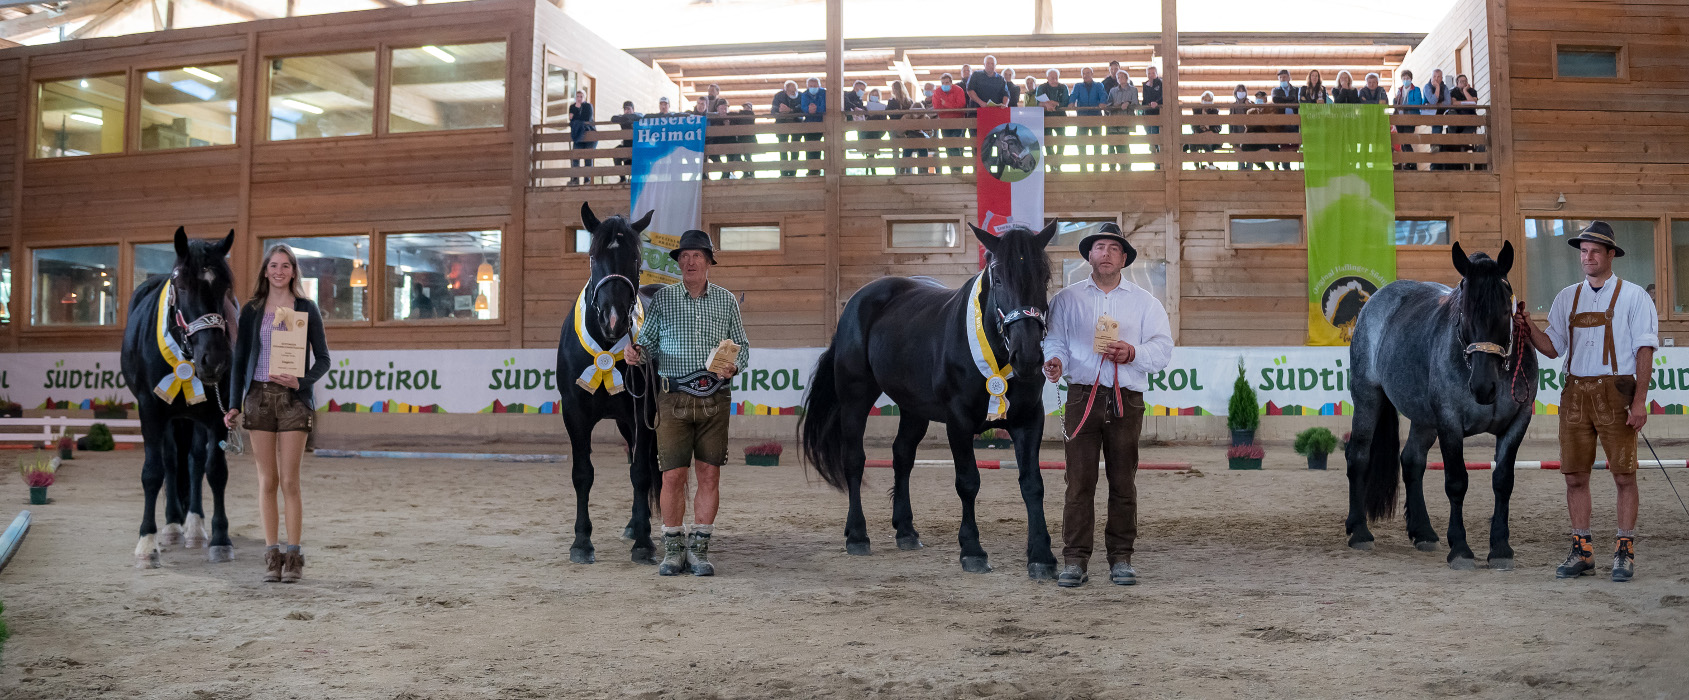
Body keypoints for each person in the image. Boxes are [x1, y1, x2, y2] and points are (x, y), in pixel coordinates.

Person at [1515, 221, 1657, 584]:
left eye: (1595, 250)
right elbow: (1552, 348)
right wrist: (1527, 325)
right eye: (1583, 250)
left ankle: (1624, 549)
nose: (1588, 257)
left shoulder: (1634, 296)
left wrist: (1639, 401)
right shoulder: (1567, 297)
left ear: (1611, 255)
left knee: (1624, 474)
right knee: (1575, 476)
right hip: (1575, 392)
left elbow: (1644, 349)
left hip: (1617, 393)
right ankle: (1583, 549)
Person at [1041, 224, 1172, 588]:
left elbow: (1162, 348)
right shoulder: (1066, 300)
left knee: (1123, 482)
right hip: (1081, 396)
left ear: (1124, 258)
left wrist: (1133, 352)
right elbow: (1054, 342)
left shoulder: (1146, 302)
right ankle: (1075, 560)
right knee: (1078, 482)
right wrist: (1054, 362)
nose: (1106, 253)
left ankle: (1121, 559)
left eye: (1114, 248)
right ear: (1089, 255)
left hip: (1125, 399)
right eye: (1099, 246)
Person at [626, 231, 751, 577]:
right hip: (672, 398)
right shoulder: (663, 301)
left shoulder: (725, 301)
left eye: (697, 256)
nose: (690, 262)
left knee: (709, 474)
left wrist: (735, 365)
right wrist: (634, 353)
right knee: (672, 476)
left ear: (709, 261)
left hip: (714, 398)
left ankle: (699, 551)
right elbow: (646, 343)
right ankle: (672, 550)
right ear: (678, 262)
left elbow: (743, 346)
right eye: (684, 256)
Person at [224, 244, 331, 584]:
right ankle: (272, 556)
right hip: (257, 397)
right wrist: (233, 403)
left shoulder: (306, 308)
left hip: (293, 402)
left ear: (294, 271)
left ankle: (294, 557)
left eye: (286, 265)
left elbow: (324, 359)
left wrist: (302, 381)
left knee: (289, 481)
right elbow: (239, 361)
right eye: (274, 265)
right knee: (267, 481)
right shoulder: (252, 310)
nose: (279, 271)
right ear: (265, 270)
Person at [1068, 67, 1108, 170]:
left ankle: (1097, 168)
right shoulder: (1078, 86)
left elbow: (1103, 94)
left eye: (1088, 73)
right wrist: (1071, 102)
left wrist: (1102, 102)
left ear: (1092, 74)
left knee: (1097, 142)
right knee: (1081, 143)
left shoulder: (1099, 85)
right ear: (1082, 75)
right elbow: (1073, 95)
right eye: (1084, 73)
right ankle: (1083, 168)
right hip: (1082, 117)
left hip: (1096, 117)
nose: (1086, 75)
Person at [931, 72, 969, 174]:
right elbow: (937, 107)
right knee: (948, 146)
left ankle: (958, 169)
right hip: (944, 123)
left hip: (957, 122)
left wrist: (946, 104)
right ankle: (953, 169)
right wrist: (951, 106)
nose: (945, 85)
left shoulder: (959, 90)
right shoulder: (937, 92)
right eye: (943, 83)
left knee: (956, 145)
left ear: (951, 83)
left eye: (947, 82)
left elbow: (961, 105)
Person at [1392, 70, 1426, 169]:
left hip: (1410, 118)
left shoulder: (1416, 90)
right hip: (1400, 118)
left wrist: (1405, 106)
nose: (1406, 80)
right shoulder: (1399, 90)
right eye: (1404, 78)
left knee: (1406, 141)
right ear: (1401, 79)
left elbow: (1418, 102)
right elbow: (1397, 103)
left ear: (1411, 79)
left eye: (1407, 78)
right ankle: (1408, 162)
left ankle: (1412, 162)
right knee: (1402, 141)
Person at [1105, 70, 1138, 171]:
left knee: (1124, 144)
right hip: (1114, 119)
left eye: (1122, 77)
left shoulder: (1133, 90)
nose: (1120, 79)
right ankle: (1112, 167)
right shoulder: (1113, 91)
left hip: (1126, 120)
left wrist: (1128, 103)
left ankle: (1126, 167)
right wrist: (1114, 106)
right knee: (1111, 144)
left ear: (1127, 78)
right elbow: (1108, 104)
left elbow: (1135, 103)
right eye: (1118, 77)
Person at [1447, 74, 1480, 170]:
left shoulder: (1472, 91)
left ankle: (1461, 147)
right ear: (1457, 83)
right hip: (1457, 121)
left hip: (1469, 120)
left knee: (1470, 128)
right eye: (1461, 81)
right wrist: (1467, 103)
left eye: (1465, 81)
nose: (1464, 83)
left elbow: (1473, 103)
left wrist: (1465, 91)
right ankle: (1455, 146)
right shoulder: (1453, 91)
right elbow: (1454, 103)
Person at [771, 80, 803, 177]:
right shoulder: (778, 96)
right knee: (783, 148)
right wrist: (780, 110)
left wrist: (791, 110)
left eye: (795, 91)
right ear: (786, 91)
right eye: (791, 91)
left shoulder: (801, 96)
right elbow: (773, 109)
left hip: (796, 124)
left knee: (795, 149)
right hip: (782, 124)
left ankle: (793, 172)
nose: (794, 93)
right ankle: (784, 173)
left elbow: (803, 108)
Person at [1036, 69, 1069, 160]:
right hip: (1046, 118)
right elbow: (1038, 103)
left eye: (1056, 78)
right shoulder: (1042, 87)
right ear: (1047, 78)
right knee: (1047, 140)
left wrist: (1055, 103)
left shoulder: (1063, 87)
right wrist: (1046, 104)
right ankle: (1051, 161)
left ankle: (1058, 160)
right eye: (1052, 78)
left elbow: (1066, 102)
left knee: (1061, 140)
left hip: (1060, 117)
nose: (1054, 80)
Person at [1270, 69, 1298, 170]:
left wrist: (1284, 99)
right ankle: (1286, 168)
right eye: (1280, 77)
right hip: (1282, 122)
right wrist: (1290, 99)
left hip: (1295, 122)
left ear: (1289, 78)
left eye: (1284, 77)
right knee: (1284, 144)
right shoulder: (1276, 90)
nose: (1283, 79)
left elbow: (1296, 100)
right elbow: (1275, 100)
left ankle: (1293, 163)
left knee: (1295, 143)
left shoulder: (1296, 90)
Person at [608, 100, 641, 183]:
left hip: (636, 146)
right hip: (626, 145)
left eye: (629, 109)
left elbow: (641, 116)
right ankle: (622, 178)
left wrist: (629, 117)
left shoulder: (637, 117)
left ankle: (635, 178)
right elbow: (613, 118)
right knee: (616, 153)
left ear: (633, 109)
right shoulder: (622, 118)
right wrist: (625, 117)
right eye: (625, 109)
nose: (627, 111)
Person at [567, 90, 595, 186]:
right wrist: (576, 112)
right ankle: (575, 179)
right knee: (576, 155)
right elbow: (571, 120)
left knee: (587, 157)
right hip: (578, 133)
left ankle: (587, 180)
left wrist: (577, 112)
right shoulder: (572, 107)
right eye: (577, 96)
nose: (579, 98)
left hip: (589, 133)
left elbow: (587, 118)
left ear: (584, 97)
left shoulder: (588, 106)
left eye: (581, 96)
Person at [800, 77, 826, 176]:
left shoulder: (824, 93)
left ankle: (820, 168)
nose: (813, 87)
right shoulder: (804, 94)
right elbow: (803, 106)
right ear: (807, 86)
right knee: (810, 146)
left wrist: (816, 109)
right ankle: (812, 170)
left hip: (821, 123)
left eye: (815, 86)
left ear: (819, 86)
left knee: (821, 146)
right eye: (811, 86)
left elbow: (824, 106)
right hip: (809, 124)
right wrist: (808, 109)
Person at [1187, 91, 1219, 168]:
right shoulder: (1196, 111)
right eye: (1205, 100)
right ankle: (1197, 166)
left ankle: (1211, 164)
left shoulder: (1214, 111)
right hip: (1198, 134)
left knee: (1206, 143)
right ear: (1202, 100)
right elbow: (1193, 125)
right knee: (1192, 144)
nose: (1207, 102)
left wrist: (1211, 131)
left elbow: (1218, 127)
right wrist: (1200, 132)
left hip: (1210, 135)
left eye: (1209, 100)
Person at [1140, 66, 1164, 168]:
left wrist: (1156, 103)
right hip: (1148, 114)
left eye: (1153, 73)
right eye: (1149, 73)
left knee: (1156, 137)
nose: (1151, 75)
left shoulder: (1161, 83)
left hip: (1158, 114)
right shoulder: (1145, 85)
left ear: (1156, 73)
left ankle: (1159, 163)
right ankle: (1155, 162)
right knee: (1150, 138)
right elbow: (1145, 99)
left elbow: (1163, 96)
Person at [863, 86, 888, 170]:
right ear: (869, 96)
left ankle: (871, 165)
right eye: (873, 95)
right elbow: (863, 119)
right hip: (867, 131)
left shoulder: (883, 107)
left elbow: (884, 120)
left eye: (876, 95)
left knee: (873, 136)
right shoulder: (865, 107)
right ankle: (871, 165)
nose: (874, 96)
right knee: (869, 136)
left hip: (878, 130)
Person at [1229, 84, 1252, 170]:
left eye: (1243, 91)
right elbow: (1230, 122)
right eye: (1239, 91)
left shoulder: (1250, 103)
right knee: (1240, 160)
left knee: (1250, 158)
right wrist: (1231, 136)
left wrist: (1249, 105)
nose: (1241, 93)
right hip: (1237, 133)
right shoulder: (1232, 106)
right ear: (1235, 93)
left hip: (1248, 134)